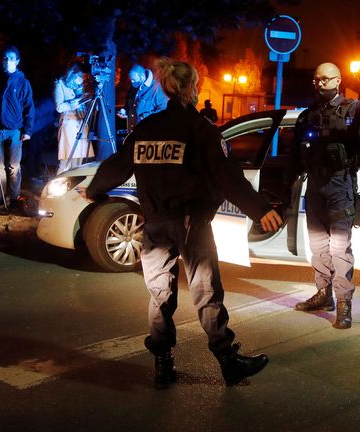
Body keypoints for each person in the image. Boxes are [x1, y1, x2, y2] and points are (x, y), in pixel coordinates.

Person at [83, 58, 283, 389]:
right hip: (191, 224)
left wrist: (95, 189)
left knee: (160, 295)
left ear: (164, 88)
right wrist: (259, 209)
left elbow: (119, 163)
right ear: (193, 88)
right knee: (206, 292)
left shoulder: (146, 129)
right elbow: (227, 176)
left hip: (155, 225)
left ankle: (163, 365)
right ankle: (228, 362)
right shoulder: (201, 130)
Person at [289, 62, 360, 329]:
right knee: (318, 244)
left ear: (338, 80)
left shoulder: (355, 109)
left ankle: (344, 303)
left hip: (340, 182)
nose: (320, 83)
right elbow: (295, 153)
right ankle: (323, 294)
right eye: (316, 79)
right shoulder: (308, 114)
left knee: (339, 247)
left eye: (325, 79)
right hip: (315, 183)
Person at [0, 46, 35, 212]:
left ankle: (14, 198)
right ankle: (0, 197)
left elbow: (29, 107)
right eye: (5, 58)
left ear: (17, 61)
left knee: (14, 166)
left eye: (11, 58)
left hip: (15, 129)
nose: (8, 61)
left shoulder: (23, 82)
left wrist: (28, 130)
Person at [54, 63, 93, 173]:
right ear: (73, 74)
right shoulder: (60, 84)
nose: (81, 79)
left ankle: (75, 186)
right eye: (79, 76)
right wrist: (72, 104)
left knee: (78, 162)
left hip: (81, 123)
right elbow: (59, 107)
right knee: (66, 160)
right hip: (69, 124)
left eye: (82, 76)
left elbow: (83, 104)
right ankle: (58, 187)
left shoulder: (81, 87)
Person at [121, 64, 168, 131]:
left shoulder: (156, 89)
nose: (131, 82)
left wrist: (144, 116)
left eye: (134, 80)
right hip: (133, 131)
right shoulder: (132, 89)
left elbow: (164, 110)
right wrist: (124, 111)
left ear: (142, 76)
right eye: (130, 80)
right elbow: (127, 105)